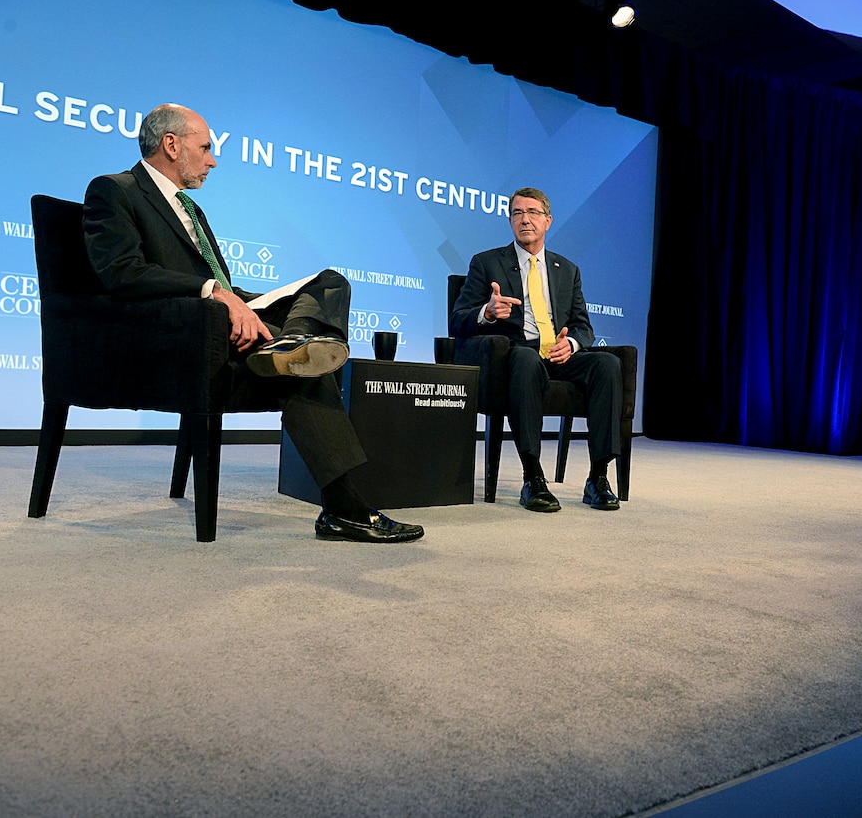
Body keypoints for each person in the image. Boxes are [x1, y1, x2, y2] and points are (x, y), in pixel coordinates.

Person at [83, 102, 423, 544]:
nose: (212, 160)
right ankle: (344, 506)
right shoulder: (115, 190)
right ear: (171, 144)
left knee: (329, 283)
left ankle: (294, 342)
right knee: (303, 373)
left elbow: (217, 280)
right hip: (180, 334)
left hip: (221, 315)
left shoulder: (191, 209)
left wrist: (235, 297)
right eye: (204, 148)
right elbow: (121, 272)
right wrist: (215, 294)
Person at [449, 187, 623, 512]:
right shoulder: (487, 263)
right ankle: (533, 477)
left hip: (557, 355)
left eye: (532, 213)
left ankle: (598, 477)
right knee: (527, 359)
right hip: (515, 355)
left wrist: (570, 344)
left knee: (607, 365)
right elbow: (457, 321)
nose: (524, 219)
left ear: (548, 221)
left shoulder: (567, 270)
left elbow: (584, 326)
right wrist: (486, 312)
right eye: (517, 213)